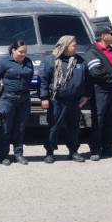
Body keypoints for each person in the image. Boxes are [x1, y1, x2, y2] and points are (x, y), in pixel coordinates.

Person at [40, 35, 90, 163]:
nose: (76, 47)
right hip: (56, 100)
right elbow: (44, 81)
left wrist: (86, 95)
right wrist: (44, 97)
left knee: (74, 127)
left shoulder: (80, 61)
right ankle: (50, 152)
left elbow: (87, 80)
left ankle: (73, 151)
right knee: (54, 126)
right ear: (65, 46)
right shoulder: (50, 60)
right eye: (73, 45)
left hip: (74, 101)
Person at [84, 28, 112, 160]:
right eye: (111, 34)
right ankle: (95, 150)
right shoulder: (92, 52)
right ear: (103, 36)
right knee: (99, 119)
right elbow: (96, 71)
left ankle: (108, 147)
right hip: (100, 91)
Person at [0, 40, 34, 165]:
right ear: (13, 50)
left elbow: (29, 78)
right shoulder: (4, 63)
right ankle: (4, 155)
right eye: (21, 52)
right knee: (6, 128)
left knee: (20, 128)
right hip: (8, 99)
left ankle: (18, 154)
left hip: (24, 99)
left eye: (25, 52)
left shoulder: (28, 62)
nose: (23, 54)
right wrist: (1, 93)